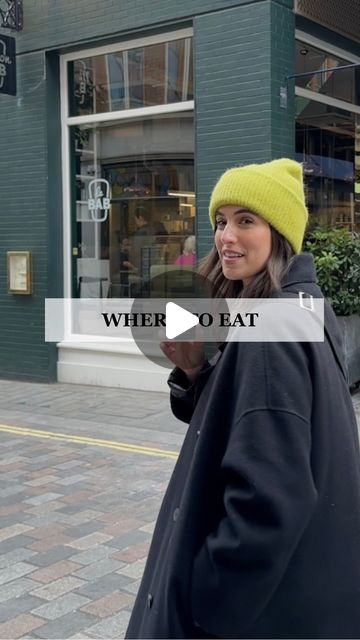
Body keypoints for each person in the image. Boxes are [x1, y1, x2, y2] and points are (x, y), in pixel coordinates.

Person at [125, 158, 360, 639]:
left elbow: (269, 501)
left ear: (280, 234)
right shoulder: (302, 307)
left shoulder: (271, 333)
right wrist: (194, 371)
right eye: (220, 221)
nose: (226, 236)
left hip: (251, 617)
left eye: (246, 221)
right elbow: (250, 420)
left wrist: (205, 602)